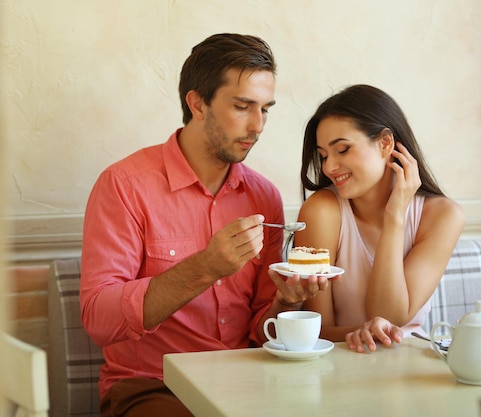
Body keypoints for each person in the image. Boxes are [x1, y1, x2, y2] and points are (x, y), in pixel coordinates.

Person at [79, 33, 330, 417]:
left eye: (266, 109)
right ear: (197, 103)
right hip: (152, 387)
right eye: (243, 106)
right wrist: (205, 267)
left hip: (247, 382)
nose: (258, 125)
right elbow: (98, 319)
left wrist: (287, 300)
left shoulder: (264, 197)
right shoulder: (124, 186)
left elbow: (262, 325)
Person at [296, 84, 465, 353]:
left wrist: (395, 216)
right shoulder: (322, 211)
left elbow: (392, 314)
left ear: (385, 143)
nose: (328, 167)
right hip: (336, 364)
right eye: (324, 156)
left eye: (343, 150)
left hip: (409, 365)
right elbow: (314, 329)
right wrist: (360, 334)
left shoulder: (443, 216)